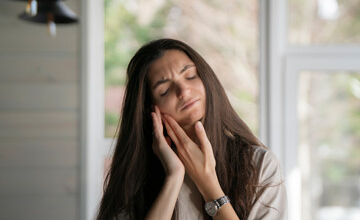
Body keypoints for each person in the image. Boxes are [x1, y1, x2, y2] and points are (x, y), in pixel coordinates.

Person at [96, 38, 287, 220]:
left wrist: (207, 182)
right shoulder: (135, 178)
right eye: (164, 90)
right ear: (149, 108)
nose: (183, 91)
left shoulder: (259, 165)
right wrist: (173, 177)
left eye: (190, 76)